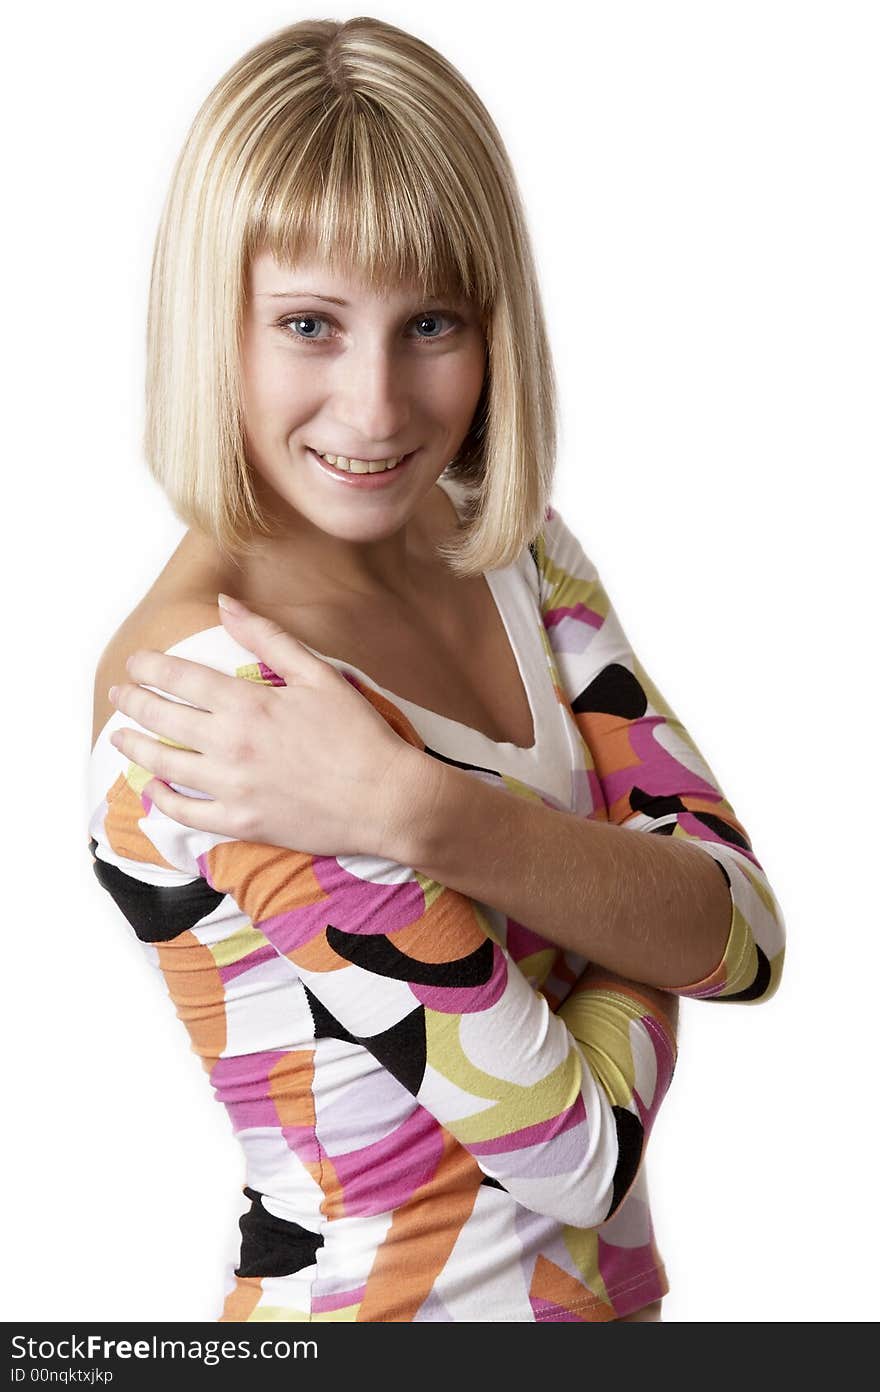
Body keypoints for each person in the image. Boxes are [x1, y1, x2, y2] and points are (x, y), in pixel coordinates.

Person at [88, 16, 786, 1323]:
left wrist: (420, 812)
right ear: (212, 324)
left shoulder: (513, 546)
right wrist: (650, 892)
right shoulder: (209, 698)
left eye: (430, 324)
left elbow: (749, 937)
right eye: (308, 322)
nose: (376, 410)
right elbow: (579, 1155)